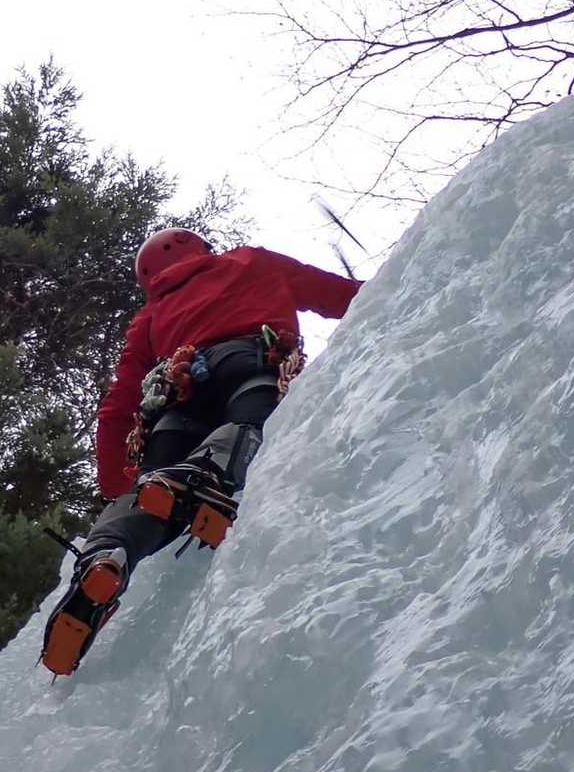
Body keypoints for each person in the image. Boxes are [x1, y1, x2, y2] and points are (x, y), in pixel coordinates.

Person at [40, 228, 362, 676]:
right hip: (251, 363)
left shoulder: (151, 316)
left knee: (146, 499)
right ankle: (201, 475)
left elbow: (118, 403)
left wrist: (114, 481)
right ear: (200, 248)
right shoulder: (251, 262)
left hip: (177, 397)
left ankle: (105, 554)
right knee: (247, 427)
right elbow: (336, 294)